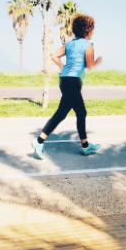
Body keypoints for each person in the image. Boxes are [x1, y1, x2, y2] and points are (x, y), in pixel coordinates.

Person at [31, 14, 102, 160]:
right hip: (74, 82)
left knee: (81, 112)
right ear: (86, 29)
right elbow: (90, 66)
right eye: (92, 29)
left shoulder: (69, 44)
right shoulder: (89, 46)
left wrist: (62, 67)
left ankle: (85, 146)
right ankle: (38, 141)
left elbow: (54, 56)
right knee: (61, 113)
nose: (93, 31)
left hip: (64, 80)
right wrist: (98, 61)